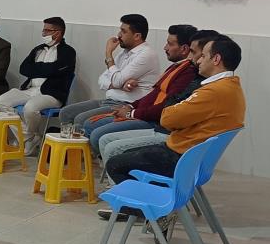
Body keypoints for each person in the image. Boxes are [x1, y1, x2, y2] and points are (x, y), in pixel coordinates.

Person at [102, 37, 246, 225]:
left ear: (216, 59)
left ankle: (156, 214)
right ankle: (153, 209)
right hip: (190, 156)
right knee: (126, 155)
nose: (198, 60)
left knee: (115, 164)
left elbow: (167, 118)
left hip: (180, 157)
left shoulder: (213, 92)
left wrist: (174, 111)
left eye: (203, 56)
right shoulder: (231, 87)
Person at [94, 29, 219, 174]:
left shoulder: (196, 78)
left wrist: (131, 113)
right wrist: (130, 106)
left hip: (164, 130)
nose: (195, 59)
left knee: (105, 140)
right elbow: (156, 95)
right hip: (152, 119)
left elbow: (166, 111)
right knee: (97, 132)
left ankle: (123, 185)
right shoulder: (180, 68)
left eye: (196, 53)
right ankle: (118, 182)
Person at [83, 24, 198, 154]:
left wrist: (131, 113)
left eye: (170, 44)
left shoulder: (188, 72)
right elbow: (154, 93)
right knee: (87, 123)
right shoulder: (175, 67)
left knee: (98, 134)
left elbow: (165, 107)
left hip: (154, 121)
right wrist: (131, 107)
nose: (165, 47)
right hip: (136, 109)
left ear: (184, 49)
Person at [58, 13, 160, 127]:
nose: (119, 35)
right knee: (66, 112)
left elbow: (116, 80)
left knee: (81, 119)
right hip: (109, 100)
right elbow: (102, 80)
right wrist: (119, 85)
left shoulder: (146, 55)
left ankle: (77, 138)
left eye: (123, 31)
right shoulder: (125, 52)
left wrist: (108, 54)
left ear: (137, 36)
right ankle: (68, 137)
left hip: (125, 104)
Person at [0, 17, 76, 151]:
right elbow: (24, 69)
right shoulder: (38, 49)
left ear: (58, 33)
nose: (43, 33)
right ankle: (30, 137)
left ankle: (26, 139)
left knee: (30, 108)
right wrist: (47, 68)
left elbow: (57, 69)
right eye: (43, 30)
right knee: (1, 102)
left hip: (51, 93)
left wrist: (38, 68)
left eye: (47, 30)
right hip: (30, 89)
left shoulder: (68, 52)